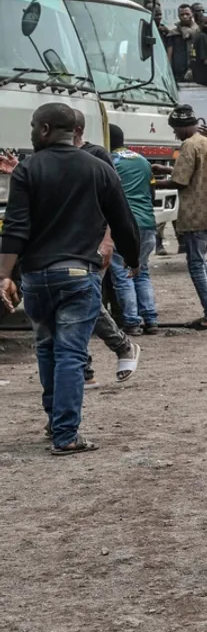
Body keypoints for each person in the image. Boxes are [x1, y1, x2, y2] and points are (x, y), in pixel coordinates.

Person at [0, 104, 140, 455]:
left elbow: (15, 227)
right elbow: (123, 220)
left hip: (36, 278)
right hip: (79, 275)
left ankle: (55, 423)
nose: (32, 132)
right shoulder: (99, 168)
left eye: (33, 126)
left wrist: (4, 275)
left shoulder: (28, 169)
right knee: (70, 353)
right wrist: (133, 258)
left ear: (46, 129)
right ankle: (66, 435)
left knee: (47, 349)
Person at [71, 112, 142, 383]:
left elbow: (114, 202)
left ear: (76, 130)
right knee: (70, 306)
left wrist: (108, 240)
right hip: (62, 244)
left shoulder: (97, 156)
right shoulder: (49, 156)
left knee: (87, 301)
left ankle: (121, 346)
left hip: (92, 243)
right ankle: (84, 367)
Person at [150, 106, 207, 330]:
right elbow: (195, 172)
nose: (175, 134)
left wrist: (151, 182)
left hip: (196, 215)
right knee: (201, 261)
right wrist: (165, 169)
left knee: (195, 265)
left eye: (175, 129)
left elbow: (180, 182)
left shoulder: (189, 145)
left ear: (183, 127)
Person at [109, 126, 159, 336]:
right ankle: (151, 319)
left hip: (124, 224)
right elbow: (152, 192)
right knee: (141, 271)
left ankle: (131, 321)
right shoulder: (142, 160)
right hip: (147, 222)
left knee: (123, 274)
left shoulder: (110, 161)